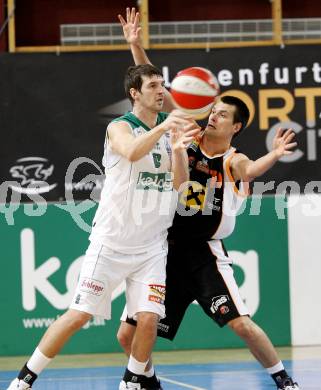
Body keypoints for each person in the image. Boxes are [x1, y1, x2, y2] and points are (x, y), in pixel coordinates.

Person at [116, 8, 300, 390]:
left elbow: (250, 172)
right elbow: (159, 95)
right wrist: (136, 46)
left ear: (236, 126)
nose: (213, 116)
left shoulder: (233, 160)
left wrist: (274, 156)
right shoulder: (190, 134)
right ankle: (147, 382)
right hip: (163, 248)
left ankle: (284, 380)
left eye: (222, 114)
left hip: (203, 254)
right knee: (125, 336)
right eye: (212, 110)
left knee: (241, 325)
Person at [8, 61, 200, 390]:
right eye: (153, 86)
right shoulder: (120, 127)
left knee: (150, 319)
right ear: (134, 94)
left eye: (162, 85)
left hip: (152, 245)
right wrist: (163, 130)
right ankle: (24, 380)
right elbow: (130, 151)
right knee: (79, 315)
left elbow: (183, 187)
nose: (161, 91)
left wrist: (180, 150)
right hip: (111, 242)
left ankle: (132, 381)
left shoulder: (171, 131)